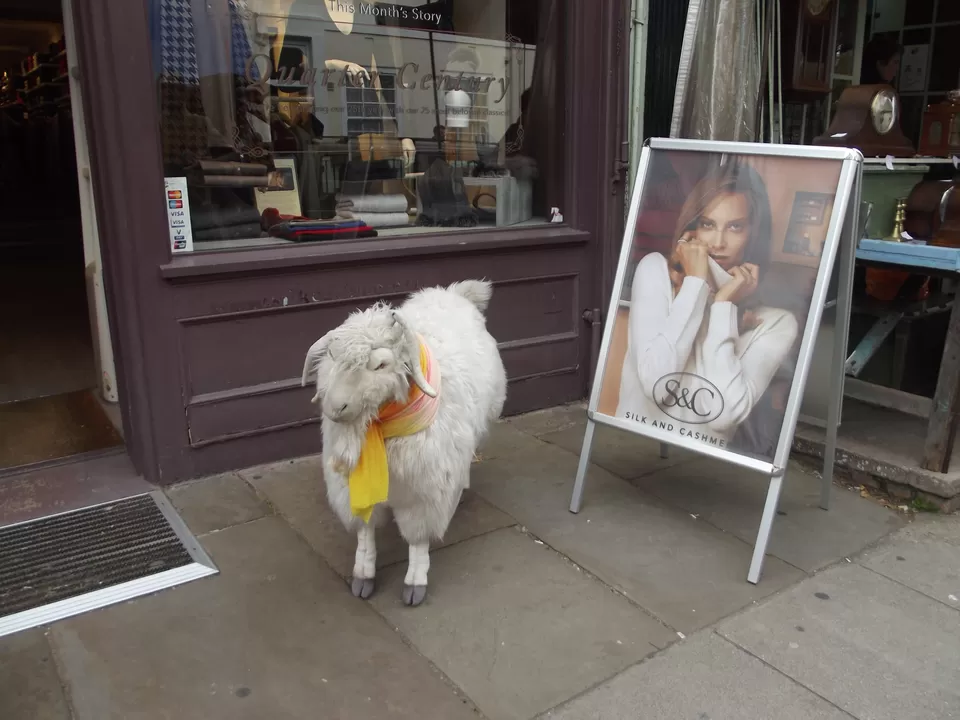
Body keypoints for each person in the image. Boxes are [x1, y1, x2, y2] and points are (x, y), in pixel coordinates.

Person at [615, 160, 799, 450]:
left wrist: (722, 305)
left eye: (735, 227)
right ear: (692, 228)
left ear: (754, 233)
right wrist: (696, 285)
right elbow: (657, 385)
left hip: (705, 465)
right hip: (633, 447)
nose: (718, 242)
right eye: (708, 224)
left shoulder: (777, 322)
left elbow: (722, 416)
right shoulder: (655, 272)